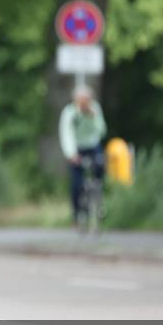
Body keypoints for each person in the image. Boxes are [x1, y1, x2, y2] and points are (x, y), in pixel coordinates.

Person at [58, 84, 107, 225]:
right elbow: (66, 134)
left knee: (100, 165)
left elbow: (102, 131)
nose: (85, 103)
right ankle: (77, 212)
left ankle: (98, 196)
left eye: (87, 100)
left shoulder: (95, 109)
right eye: (82, 100)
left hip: (92, 146)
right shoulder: (70, 112)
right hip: (76, 148)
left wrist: (93, 117)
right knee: (76, 182)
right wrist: (71, 154)